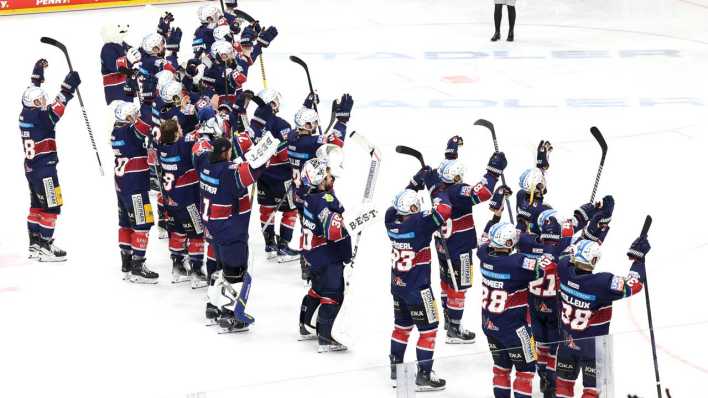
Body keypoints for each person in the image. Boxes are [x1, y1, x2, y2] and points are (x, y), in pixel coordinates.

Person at [408, 138, 508, 344]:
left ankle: (448, 319)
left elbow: (438, 171)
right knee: (459, 287)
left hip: (442, 244)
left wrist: (451, 152)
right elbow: (482, 192)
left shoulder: (435, 183)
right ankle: (454, 327)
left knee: (446, 282)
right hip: (459, 247)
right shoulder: (457, 192)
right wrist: (493, 172)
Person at [198, 133, 279, 332]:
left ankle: (213, 307)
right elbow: (250, 173)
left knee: (219, 268)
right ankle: (229, 314)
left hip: (213, 228)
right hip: (231, 230)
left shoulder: (204, 164)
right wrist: (266, 156)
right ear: (225, 153)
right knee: (235, 273)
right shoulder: (227, 172)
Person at [553, 234, 650, 398]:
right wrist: (638, 260)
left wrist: (585, 239)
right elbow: (635, 285)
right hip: (594, 348)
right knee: (592, 391)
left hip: (566, 343)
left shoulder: (563, 268)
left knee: (563, 386)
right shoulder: (602, 283)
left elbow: (565, 255)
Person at [385, 188, 450, 391]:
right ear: (413, 208)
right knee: (429, 330)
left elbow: (393, 207)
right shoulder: (420, 224)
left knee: (401, 328)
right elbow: (444, 210)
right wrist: (438, 190)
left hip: (398, 286)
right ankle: (424, 375)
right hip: (419, 290)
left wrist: (413, 184)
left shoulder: (390, 222)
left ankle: (396, 370)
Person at [477, 219, 550, 398]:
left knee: (501, 369)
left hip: (489, 325)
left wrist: (495, 219)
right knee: (526, 372)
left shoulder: (483, 254)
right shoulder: (517, 263)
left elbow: (484, 240)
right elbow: (543, 267)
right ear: (509, 243)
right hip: (515, 330)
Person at [20, 59, 81, 262]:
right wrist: (68, 86)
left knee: (36, 205)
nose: (44, 101)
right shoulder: (43, 117)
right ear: (36, 103)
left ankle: (35, 244)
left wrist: (37, 73)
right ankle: (46, 246)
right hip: (45, 169)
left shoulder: (25, 112)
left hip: (31, 169)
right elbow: (58, 105)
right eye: (41, 100)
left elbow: (32, 90)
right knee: (52, 206)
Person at [297, 158, 353, 352]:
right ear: (320, 179)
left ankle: (305, 325)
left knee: (317, 288)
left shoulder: (310, 195)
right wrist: (349, 237)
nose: (333, 177)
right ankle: (326, 337)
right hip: (326, 255)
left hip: (311, 253)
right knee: (333, 293)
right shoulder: (322, 201)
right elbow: (333, 231)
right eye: (329, 175)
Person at [110, 77, 160, 283]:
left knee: (125, 223)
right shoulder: (131, 130)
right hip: (135, 187)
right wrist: (146, 103)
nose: (138, 117)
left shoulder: (116, 130)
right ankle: (138, 265)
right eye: (135, 115)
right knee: (142, 222)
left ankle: (127, 264)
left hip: (122, 187)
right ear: (129, 118)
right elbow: (146, 128)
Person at [156, 119, 208, 287]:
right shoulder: (182, 147)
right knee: (196, 234)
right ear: (176, 134)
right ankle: (197, 273)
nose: (181, 129)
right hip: (187, 201)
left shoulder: (161, 147)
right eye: (179, 128)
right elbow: (196, 139)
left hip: (170, 201)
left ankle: (177, 268)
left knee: (177, 233)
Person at [250, 89, 299, 261]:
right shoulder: (282, 124)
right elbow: (288, 153)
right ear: (272, 104)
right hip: (282, 176)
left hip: (262, 175)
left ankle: (269, 244)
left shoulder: (254, 124)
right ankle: (283, 246)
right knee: (291, 210)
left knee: (266, 209)